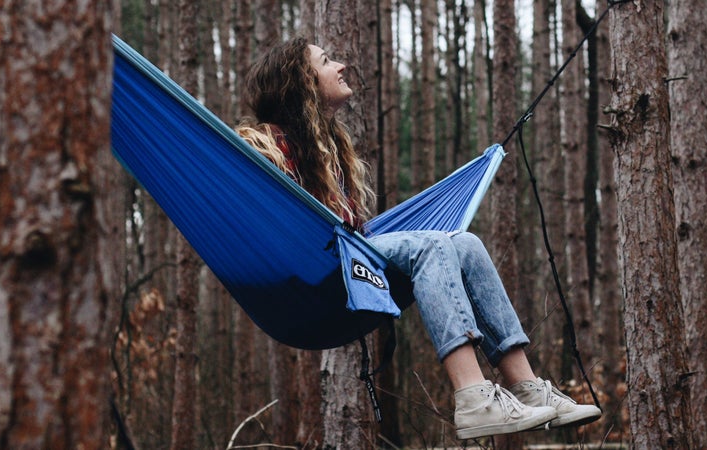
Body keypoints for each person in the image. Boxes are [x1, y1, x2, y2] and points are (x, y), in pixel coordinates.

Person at [236, 37, 601, 440]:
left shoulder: (331, 148)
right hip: (312, 277)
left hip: (349, 265)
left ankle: (526, 387)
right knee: (433, 245)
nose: (340, 65)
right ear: (302, 82)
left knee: (464, 243)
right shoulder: (261, 147)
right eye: (326, 61)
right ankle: (474, 397)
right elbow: (261, 218)